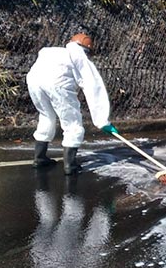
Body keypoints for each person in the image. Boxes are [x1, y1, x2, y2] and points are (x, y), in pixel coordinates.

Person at [27, 33, 117, 175]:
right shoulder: (78, 56)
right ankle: (70, 166)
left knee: (46, 116)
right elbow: (92, 86)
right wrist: (102, 120)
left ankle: (39, 158)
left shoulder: (52, 51)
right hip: (58, 84)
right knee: (72, 122)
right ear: (86, 50)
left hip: (33, 81)